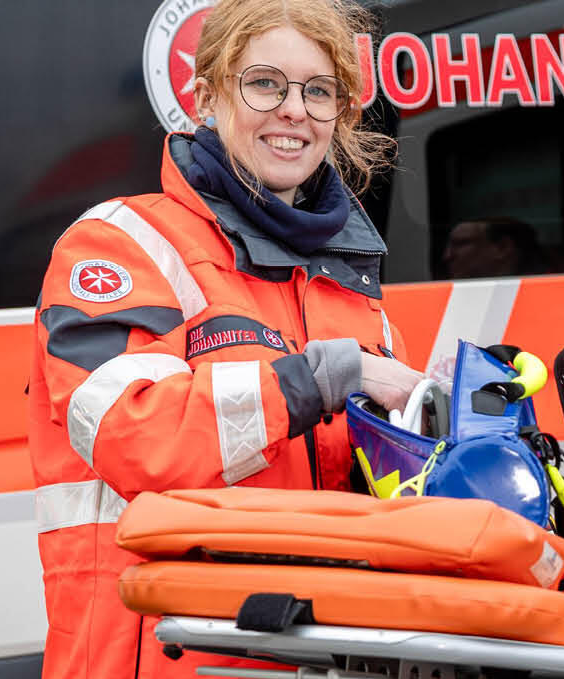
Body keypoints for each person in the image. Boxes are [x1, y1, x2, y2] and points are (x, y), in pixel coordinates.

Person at [26, 1, 422, 676]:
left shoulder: (356, 296)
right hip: (160, 657)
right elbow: (137, 438)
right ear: (207, 96)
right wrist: (319, 380)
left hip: (316, 654)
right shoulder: (120, 245)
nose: (294, 110)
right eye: (265, 82)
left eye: (318, 91)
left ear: (341, 115)